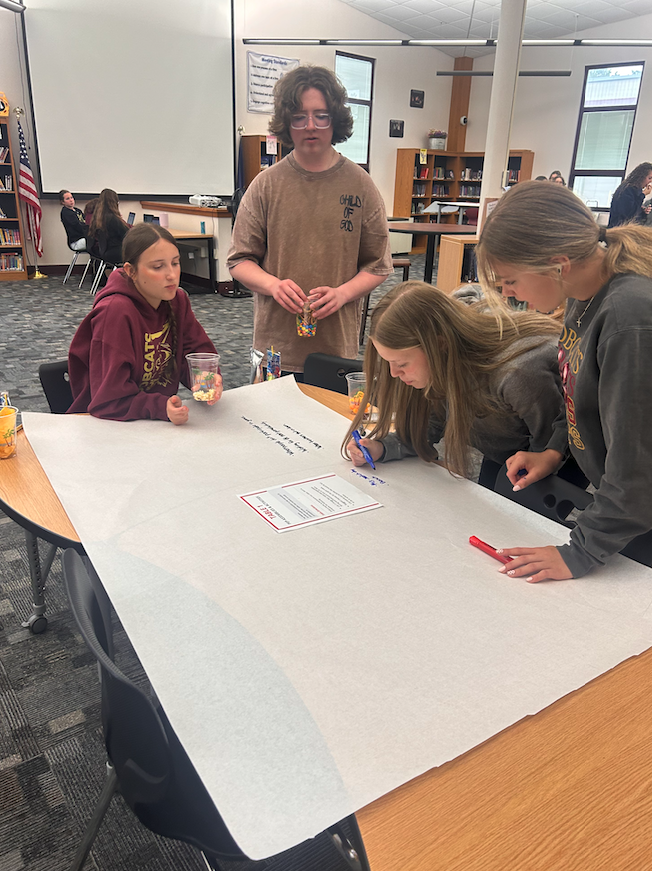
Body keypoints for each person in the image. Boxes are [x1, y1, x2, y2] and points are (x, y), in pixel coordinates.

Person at [475, 179, 652, 581]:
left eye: (511, 280)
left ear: (557, 264)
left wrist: (580, 552)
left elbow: (637, 468)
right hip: (626, 503)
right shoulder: (580, 293)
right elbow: (577, 392)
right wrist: (555, 451)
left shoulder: (629, 319)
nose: (510, 294)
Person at [227, 64, 392, 377]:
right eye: (299, 117)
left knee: (329, 426)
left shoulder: (360, 184)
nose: (310, 126)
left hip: (335, 347)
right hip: (276, 348)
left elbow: (378, 265)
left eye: (321, 115)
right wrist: (273, 286)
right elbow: (239, 261)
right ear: (287, 123)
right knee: (268, 426)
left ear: (334, 119)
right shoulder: (266, 185)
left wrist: (342, 293)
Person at [342, 281, 567, 490]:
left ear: (439, 345)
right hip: (505, 453)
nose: (394, 373)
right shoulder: (442, 357)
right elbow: (432, 422)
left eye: (401, 363)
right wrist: (382, 447)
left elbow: (552, 451)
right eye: (388, 362)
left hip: (557, 459)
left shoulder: (517, 374)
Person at [68, 223, 220, 423]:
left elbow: (196, 354)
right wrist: (158, 407)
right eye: (158, 267)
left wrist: (207, 379)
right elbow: (107, 401)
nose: (171, 275)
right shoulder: (115, 312)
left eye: (175, 263)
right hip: (110, 424)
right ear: (131, 271)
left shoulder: (177, 300)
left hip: (153, 421)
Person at [87, 188, 130, 264]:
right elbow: (127, 235)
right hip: (116, 252)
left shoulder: (98, 217)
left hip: (105, 251)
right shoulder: (113, 218)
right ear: (114, 202)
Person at [607, 162, 652, 227]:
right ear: (641, 177)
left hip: (627, 228)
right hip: (618, 230)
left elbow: (635, 211)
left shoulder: (637, 190)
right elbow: (628, 214)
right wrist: (643, 194)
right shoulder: (628, 189)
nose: (650, 181)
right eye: (649, 178)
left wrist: (643, 211)